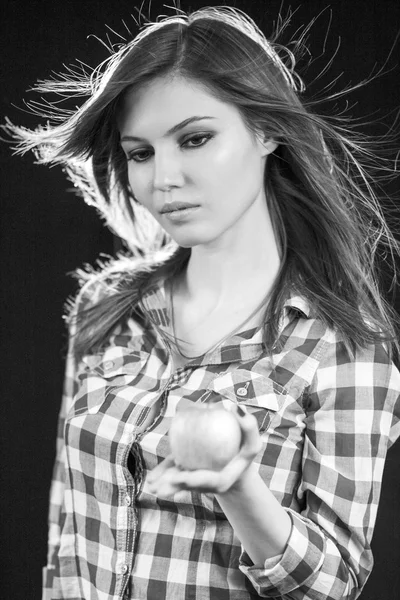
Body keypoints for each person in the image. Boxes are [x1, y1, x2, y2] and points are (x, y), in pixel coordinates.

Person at [3, 4, 400, 600]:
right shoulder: (107, 308)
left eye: (195, 139)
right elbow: (66, 533)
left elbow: (332, 583)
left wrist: (239, 486)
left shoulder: (344, 345)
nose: (164, 178)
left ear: (268, 131)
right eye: (140, 153)